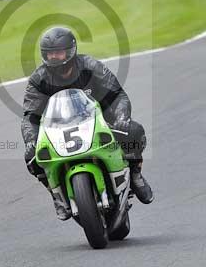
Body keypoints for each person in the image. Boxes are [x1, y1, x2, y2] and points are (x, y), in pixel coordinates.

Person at [21, 26, 154, 220]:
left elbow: (117, 94)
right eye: (50, 54)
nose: (55, 58)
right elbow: (30, 117)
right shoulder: (38, 80)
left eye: (58, 52)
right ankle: (56, 195)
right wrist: (31, 139)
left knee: (133, 131)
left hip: (99, 120)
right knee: (31, 156)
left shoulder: (91, 66)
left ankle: (134, 174)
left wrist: (121, 117)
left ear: (71, 50)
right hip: (59, 130)